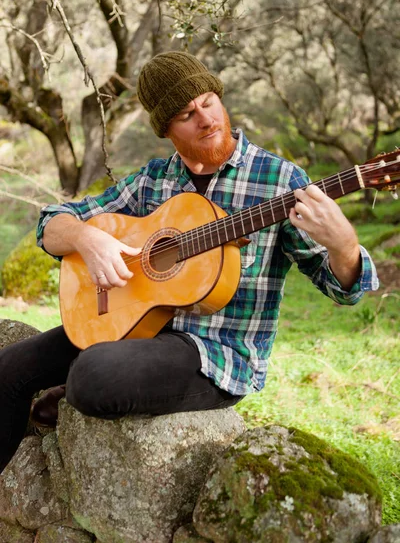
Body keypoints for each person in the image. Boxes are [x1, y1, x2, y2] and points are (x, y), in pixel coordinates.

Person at [0, 51, 378, 474]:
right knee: (8, 368)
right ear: (166, 129)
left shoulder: (280, 182)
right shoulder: (153, 180)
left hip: (213, 354)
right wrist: (85, 237)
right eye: (185, 113)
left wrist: (344, 245)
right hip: (132, 328)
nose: (205, 118)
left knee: (90, 378)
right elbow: (51, 221)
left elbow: (341, 288)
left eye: (208, 102)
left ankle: (76, 382)